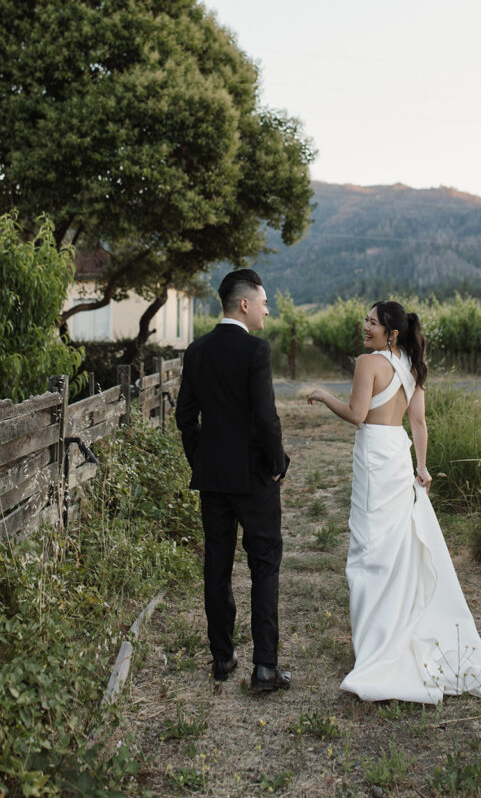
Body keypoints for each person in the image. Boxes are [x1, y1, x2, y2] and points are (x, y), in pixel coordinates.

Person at [307, 301, 481, 707]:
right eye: (366, 319)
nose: (364, 325)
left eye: (372, 322)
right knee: (396, 547)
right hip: (398, 456)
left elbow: (356, 415)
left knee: (369, 551)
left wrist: (321, 396)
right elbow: (418, 422)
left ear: (391, 332)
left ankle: (374, 649)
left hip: (374, 455)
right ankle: (394, 630)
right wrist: (421, 467)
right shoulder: (411, 364)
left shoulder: (368, 363)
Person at [176, 269, 291, 692]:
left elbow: (185, 417)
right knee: (264, 566)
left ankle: (222, 659)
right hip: (255, 479)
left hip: (213, 480)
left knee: (217, 566)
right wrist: (277, 462)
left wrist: (201, 460)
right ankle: (264, 669)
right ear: (244, 304)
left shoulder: (197, 350)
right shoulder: (255, 351)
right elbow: (265, 418)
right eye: (263, 301)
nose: (266, 308)